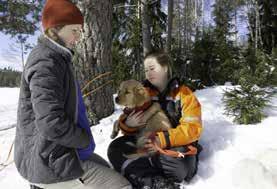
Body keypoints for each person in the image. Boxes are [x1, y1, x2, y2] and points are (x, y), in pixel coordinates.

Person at [14, 0, 131, 189]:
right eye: (74, 30)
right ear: (56, 28)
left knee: (105, 168)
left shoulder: (57, 58)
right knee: (121, 186)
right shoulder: (46, 61)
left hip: (55, 152)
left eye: (80, 31)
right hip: (48, 161)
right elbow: (50, 122)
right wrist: (83, 139)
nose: (78, 37)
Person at [108, 50, 203, 188]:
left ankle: (140, 170)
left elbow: (193, 129)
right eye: (146, 70)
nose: (148, 73)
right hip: (145, 140)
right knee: (115, 148)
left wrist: (161, 139)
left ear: (165, 68)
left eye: (152, 68)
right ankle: (156, 183)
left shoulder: (184, 94)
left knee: (181, 168)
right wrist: (128, 124)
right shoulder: (142, 91)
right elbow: (128, 119)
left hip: (175, 146)